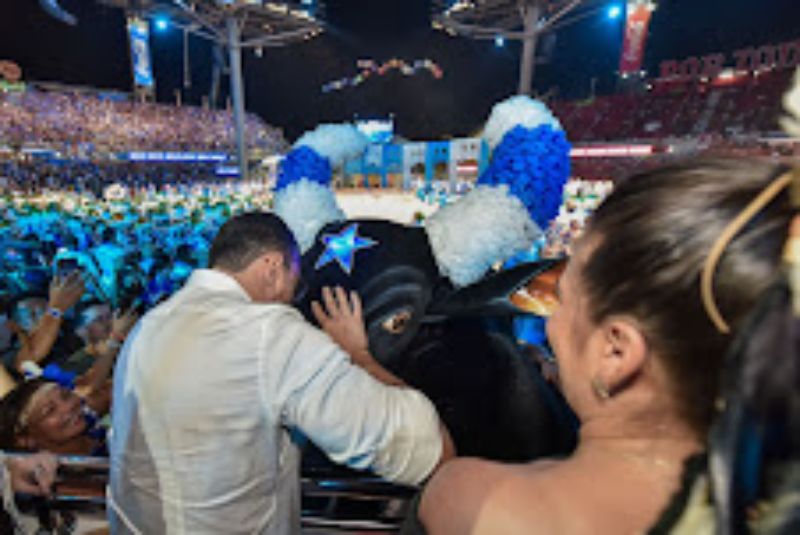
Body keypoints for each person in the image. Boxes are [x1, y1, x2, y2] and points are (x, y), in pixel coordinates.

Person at [417, 159, 794, 534]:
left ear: (616, 353)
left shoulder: (474, 501)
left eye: (561, 299)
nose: (552, 323)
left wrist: (368, 363)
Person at [109, 212, 455, 534]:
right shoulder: (267, 333)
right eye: (295, 282)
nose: (294, 299)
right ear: (273, 267)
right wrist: (357, 354)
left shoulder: (150, 325)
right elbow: (427, 447)